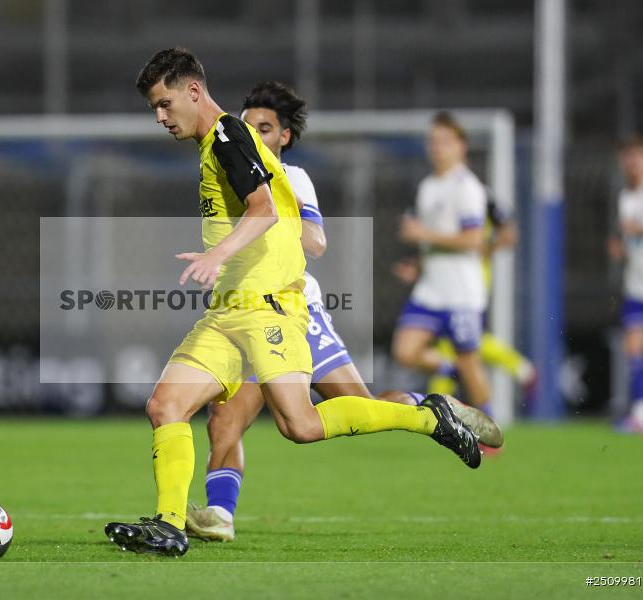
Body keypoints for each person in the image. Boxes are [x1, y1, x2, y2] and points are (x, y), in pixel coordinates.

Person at [103, 49, 481, 558]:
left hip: (269, 311)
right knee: (165, 405)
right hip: (227, 313)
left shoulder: (228, 137)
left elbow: (261, 210)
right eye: (155, 108)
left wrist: (218, 253)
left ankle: (429, 417)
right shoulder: (216, 143)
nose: (160, 117)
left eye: (165, 104)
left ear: (193, 91)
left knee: (299, 425)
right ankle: (170, 525)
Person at [185, 81, 502, 543]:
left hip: (295, 311)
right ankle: (220, 516)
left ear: (285, 137)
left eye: (266, 127)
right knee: (225, 419)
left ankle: (432, 408)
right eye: (248, 125)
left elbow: (315, 241)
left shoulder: (289, 179)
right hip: (245, 312)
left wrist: (269, 220)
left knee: (355, 410)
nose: (253, 133)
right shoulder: (231, 167)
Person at [392, 111, 491, 413]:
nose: (437, 147)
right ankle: (450, 370)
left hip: (462, 293)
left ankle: (491, 428)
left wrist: (424, 233)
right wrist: (419, 265)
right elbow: (434, 240)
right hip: (431, 290)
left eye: (444, 141)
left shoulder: (467, 187)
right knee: (404, 352)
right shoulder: (428, 186)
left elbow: (475, 240)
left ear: (461, 146)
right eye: (432, 141)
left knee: (469, 360)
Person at [607, 136, 643, 434]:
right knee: (633, 349)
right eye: (628, 157)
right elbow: (632, 238)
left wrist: (636, 230)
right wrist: (621, 246)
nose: (633, 162)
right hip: (638, 286)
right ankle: (642, 415)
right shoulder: (626, 196)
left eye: (638, 156)